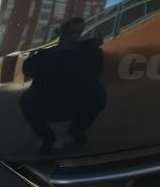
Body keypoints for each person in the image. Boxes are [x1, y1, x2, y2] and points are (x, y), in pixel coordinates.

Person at [19, 17, 107, 154]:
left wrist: (91, 46)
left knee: (100, 93)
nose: (75, 36)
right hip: (47, 103)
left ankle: (75, 131)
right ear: (62, 32)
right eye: (71, 32)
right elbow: (28, 71)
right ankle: (48, 138)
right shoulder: (46, 54)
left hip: (75, 101)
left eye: (79, 32)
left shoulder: (87, 52)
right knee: (25, 100)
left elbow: (95, 75)